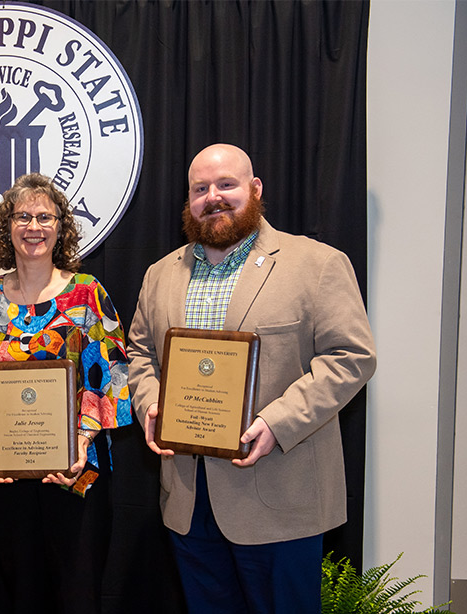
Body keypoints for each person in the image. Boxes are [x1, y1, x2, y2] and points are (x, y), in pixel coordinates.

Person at [127, 144, 376, 613]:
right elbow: (139, 353)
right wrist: (152, 403)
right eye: (200, 188)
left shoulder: (316, 264)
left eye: (226, 185)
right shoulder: (161, 274)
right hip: (187, 498)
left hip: (280, 495)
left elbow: (351, 357)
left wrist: (277, 423)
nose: (213, 197)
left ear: (255, 189)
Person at [0, 173, 132, 613]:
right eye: (22, 217)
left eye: (44, 216)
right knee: (18, 592)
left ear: (60, 227)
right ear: (7, 228)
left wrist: (81, 441)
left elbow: (113, 377)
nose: (33, 226)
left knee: (77, 592)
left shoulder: (88, 293)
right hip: (7, 472)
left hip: (76, 470)